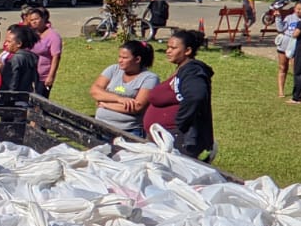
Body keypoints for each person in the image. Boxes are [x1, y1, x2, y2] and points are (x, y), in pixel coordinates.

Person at [149, 29, 214, 158]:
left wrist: (180, 122)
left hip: (178, 139)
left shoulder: (193, 71)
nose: (168, 51)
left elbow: (196, 96)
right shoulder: (183, 69)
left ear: (188, 51)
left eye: (173, 48)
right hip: (167, 137)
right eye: (167, 47)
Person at [89, 40, 159, 138]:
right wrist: (120, 99)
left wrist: (105, 104)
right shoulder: (113, 69)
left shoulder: (149, 78)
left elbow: (137, 107)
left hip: (129, 131)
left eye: (124, 58)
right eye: (119, 57)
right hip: (101, 126)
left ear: (137, 59)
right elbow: (95, 91)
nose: (120, 60)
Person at [22, 7, 62, 97]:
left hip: (43, 76)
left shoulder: (53, 36)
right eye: (31, 20)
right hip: (28, 75)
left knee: (40, 103)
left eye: (36, 19)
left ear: (43, 19)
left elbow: (56, 57)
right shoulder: (30, 34)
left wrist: (51, 76)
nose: (34, 22)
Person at [0, 25, 42, 94]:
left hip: (15, 99)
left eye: (9, 42)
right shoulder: (31, 57)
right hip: (26, 96)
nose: (5, 44)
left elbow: (13, 80)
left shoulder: (17, 59)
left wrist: (9, 96)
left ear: (19, 44)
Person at [274, 2, 301, 98]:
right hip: (284, 45)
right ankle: (281, 91)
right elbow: (280, 28)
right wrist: (278, 18)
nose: (299, 11)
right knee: (282, 67)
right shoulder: (289, 18)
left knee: (296, 69)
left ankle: (297, 91)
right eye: (297, 8)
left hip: (297, 47)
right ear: (294, 9)